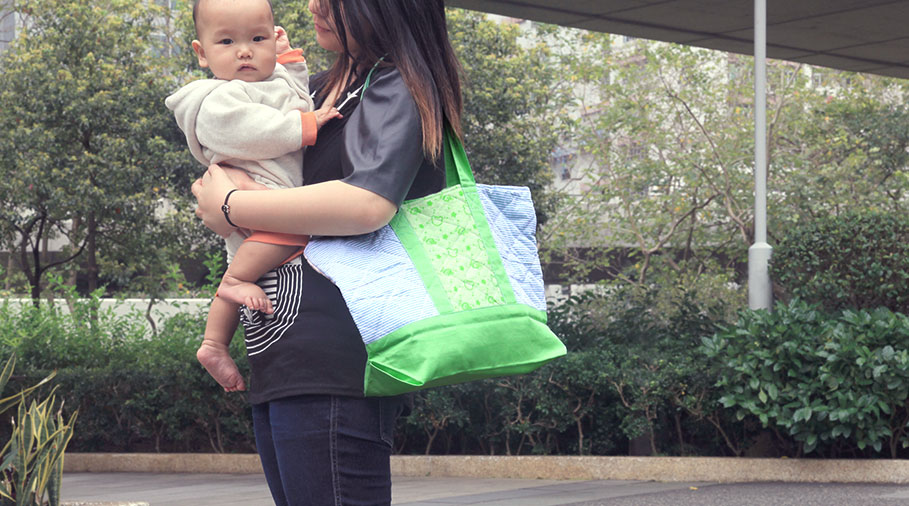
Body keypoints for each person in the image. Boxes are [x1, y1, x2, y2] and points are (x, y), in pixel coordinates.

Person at [191, 0, 463, 503]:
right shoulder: (319, 85)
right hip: (279, 349)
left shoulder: (395, 83)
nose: (313, 4)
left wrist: (234, 204)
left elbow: (366, 203)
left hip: (336, 355)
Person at [167, 0, 340, 392]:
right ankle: (229, 292)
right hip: (258, 197)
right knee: (289, 237)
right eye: (227, 41)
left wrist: (291, 60)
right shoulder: (214, 100)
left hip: (264, 199)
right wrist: (306, 127)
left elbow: (297, 96)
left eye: (258, 38)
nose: (245, 50)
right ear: (202, 54)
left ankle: (214, 344)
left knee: (254, 264)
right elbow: (253, 130)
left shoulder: (269, 82)